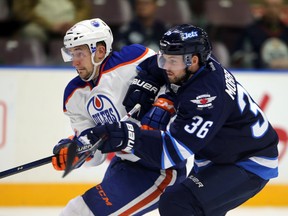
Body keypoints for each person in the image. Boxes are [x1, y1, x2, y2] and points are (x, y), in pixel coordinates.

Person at [83, 24, 279, 215]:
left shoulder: (205, 98)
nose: (166, 67)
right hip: (218, 156)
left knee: (178, 203)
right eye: (164, 58)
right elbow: (152, 65)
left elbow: (170, 153)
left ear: (192, 61)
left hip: (247, 162)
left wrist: (126, 136)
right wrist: (147, 82)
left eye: (172, 62)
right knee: (192, 206)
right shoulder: (194, 65)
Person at [51, 18, 186, 216]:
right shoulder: (73, 94)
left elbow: (176, 80)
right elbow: (96, 155)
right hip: (124, 163)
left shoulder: (133, 59)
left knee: (79, 211)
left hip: (158, 168)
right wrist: (75, 152)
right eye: (71, 53)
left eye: (80, 53)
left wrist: (164, 103)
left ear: (100, 50)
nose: (75, 61)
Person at [232, 0, 288, 68]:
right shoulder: (251, 31)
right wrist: (264, 63)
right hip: (258, 74)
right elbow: (238, 56)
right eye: (269, 6)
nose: (272, 10)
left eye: (276, 6)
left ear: (282, 9)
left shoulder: (286, 32)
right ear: (263, 8)